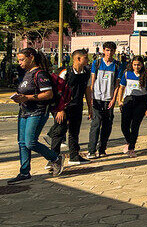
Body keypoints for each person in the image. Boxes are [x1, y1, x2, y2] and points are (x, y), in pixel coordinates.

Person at [7, 48, 65, 184]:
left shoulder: (40, 74)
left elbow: (48, 94)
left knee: (30, 142)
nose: (19, 62)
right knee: (22, 143)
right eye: (18, 60)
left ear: (31, 57)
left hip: (37, 112)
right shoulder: (27, 73)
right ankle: (24, 172)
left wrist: (26, 97)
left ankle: (55, 158)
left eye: (22, 59)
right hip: (24, 112)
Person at [46, 49, 92, 166]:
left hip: (77, 106)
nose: (88, 60)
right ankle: (53, 159)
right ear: (78, 59)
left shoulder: (86, 73)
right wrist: (60, 109)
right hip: (64, 107)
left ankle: (74, 156)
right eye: (86, 58)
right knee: (59, 132)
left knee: (74, 131)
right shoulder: (65, 72)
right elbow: (58, 92)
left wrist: (90, 108)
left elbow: (87, 91)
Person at [87, 42, 124, 159]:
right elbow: (92, 82)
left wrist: (114, 99)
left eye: (112, 50)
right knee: (96, 124)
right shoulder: (96, 63)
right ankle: (91, 150)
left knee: (107, 125)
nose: (109, 53)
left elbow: (117, 84)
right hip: (97, 98)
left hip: (109, 99)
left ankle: (102, 149)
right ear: (103, 50)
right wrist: (91, 98)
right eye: (107, 50)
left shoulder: (117, 65)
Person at [117, 56, 147, 157]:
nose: (136, 67)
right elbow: (121, 88)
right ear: (132, 65)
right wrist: (119, 101)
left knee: (135, 126)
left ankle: (131, 148)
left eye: (138, 65)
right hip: (128, 101)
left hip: (141, 101)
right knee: (124, 126)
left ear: (142, 65)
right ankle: (129, 142)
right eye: (134, 65)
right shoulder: (127, 73)